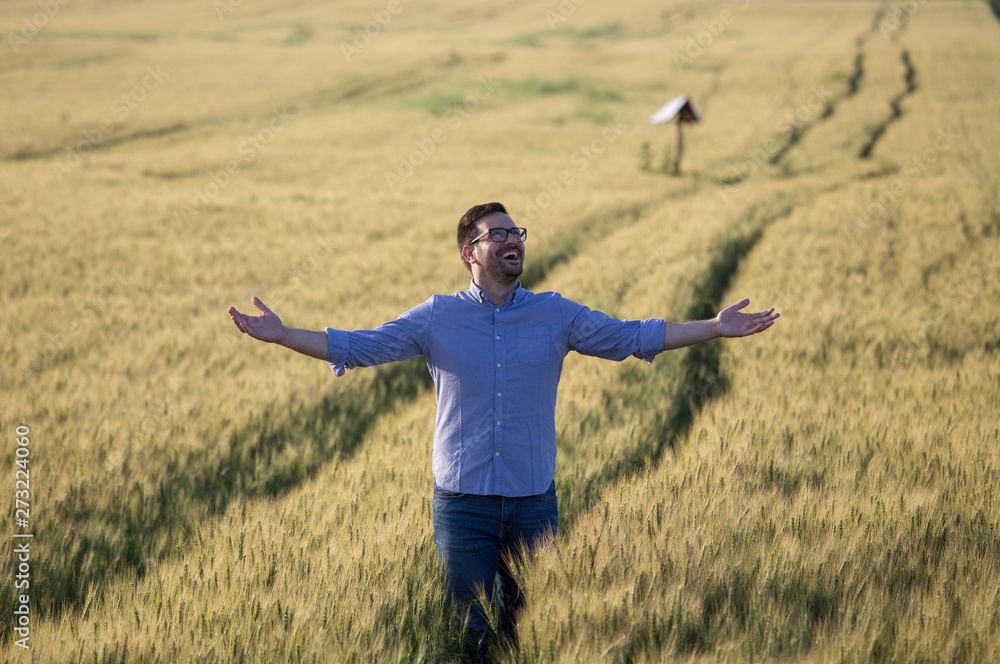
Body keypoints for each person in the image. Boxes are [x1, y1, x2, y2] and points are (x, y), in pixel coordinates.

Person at [227, 201, 779, 661]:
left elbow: (630, 336)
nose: (514, 240)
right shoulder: (437, 316)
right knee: (471, 634)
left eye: (517, 232)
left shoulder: (555, 313)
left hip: (534, 500)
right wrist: (282, 336)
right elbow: (358, 345)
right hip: (463, 504)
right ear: (470, 252)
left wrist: (713, 328)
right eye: (500, 234)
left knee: (528, 628)